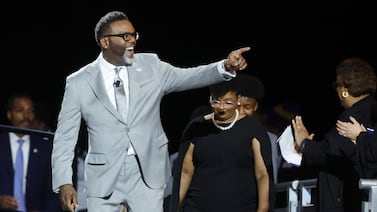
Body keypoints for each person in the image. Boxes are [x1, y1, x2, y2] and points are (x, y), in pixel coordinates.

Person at [51, 10, 250, 212]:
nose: (132, 41)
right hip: (103, 175)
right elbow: (64, 137)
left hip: (147, 171)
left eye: (134, 35)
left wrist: (225, 67)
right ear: (105, 42)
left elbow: (190, 76)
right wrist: (64, 182)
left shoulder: (151, 66)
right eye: (124, 36)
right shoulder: (79, 82)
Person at [170, 79, 272, 212]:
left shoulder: (252, 129)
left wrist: (263, 208)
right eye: (216, 101)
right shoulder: (197, 127)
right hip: (197, 206)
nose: (222, 107)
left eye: (228, 102)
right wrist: (175, 208)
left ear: (238, 99)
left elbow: (262, 174)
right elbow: (185, 172)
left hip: (241, 206)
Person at [291, 57, 377, 212]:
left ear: (344, 90)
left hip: (346, 200)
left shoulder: (352, 117)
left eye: (336, 86)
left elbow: (330, 151)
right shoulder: (371, 110)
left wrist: (304, 144)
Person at [0, 93, 60, 212]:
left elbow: (55, 193)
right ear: (9, 114)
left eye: (30, 111)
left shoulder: (46, 148)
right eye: (20, 110)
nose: (26, 116)